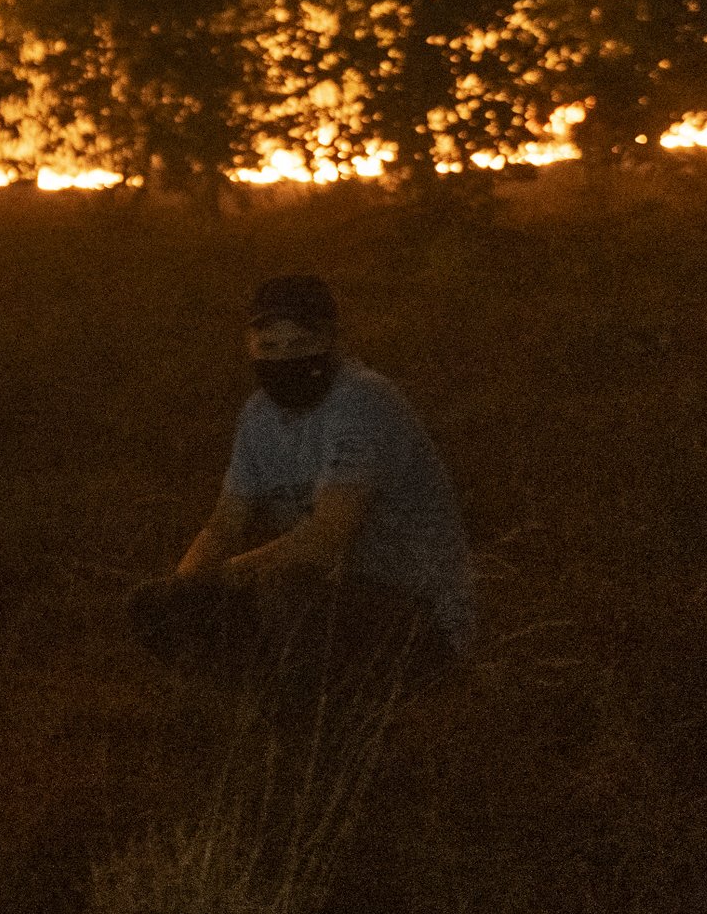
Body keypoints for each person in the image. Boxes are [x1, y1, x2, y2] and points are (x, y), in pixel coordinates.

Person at [125, 272, 473, 694]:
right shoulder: (258, 416)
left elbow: (329, 534)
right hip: (329, 601)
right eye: (268, 347)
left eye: (300, 344)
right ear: (249, 346)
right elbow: (223, 524)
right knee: (153, 604)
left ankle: (320, 724)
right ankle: (259, 706)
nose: (284, 361)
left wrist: (230, 573)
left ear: (329, 341)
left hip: (418, 613)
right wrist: (183, 591)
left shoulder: (363, 402)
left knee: (287, 589)